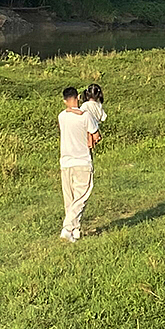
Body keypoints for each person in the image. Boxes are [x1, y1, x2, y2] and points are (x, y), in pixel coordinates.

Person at [58, 86, 99, 243]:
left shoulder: (62, 116)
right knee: (81, 196)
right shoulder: (85, 116)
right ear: (78, 98)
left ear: (64, 101)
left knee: (70, 199)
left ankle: (75, 231)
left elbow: (70, 112)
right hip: (82, 160)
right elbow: (95, 135)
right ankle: (67, 228)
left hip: (66, 161)